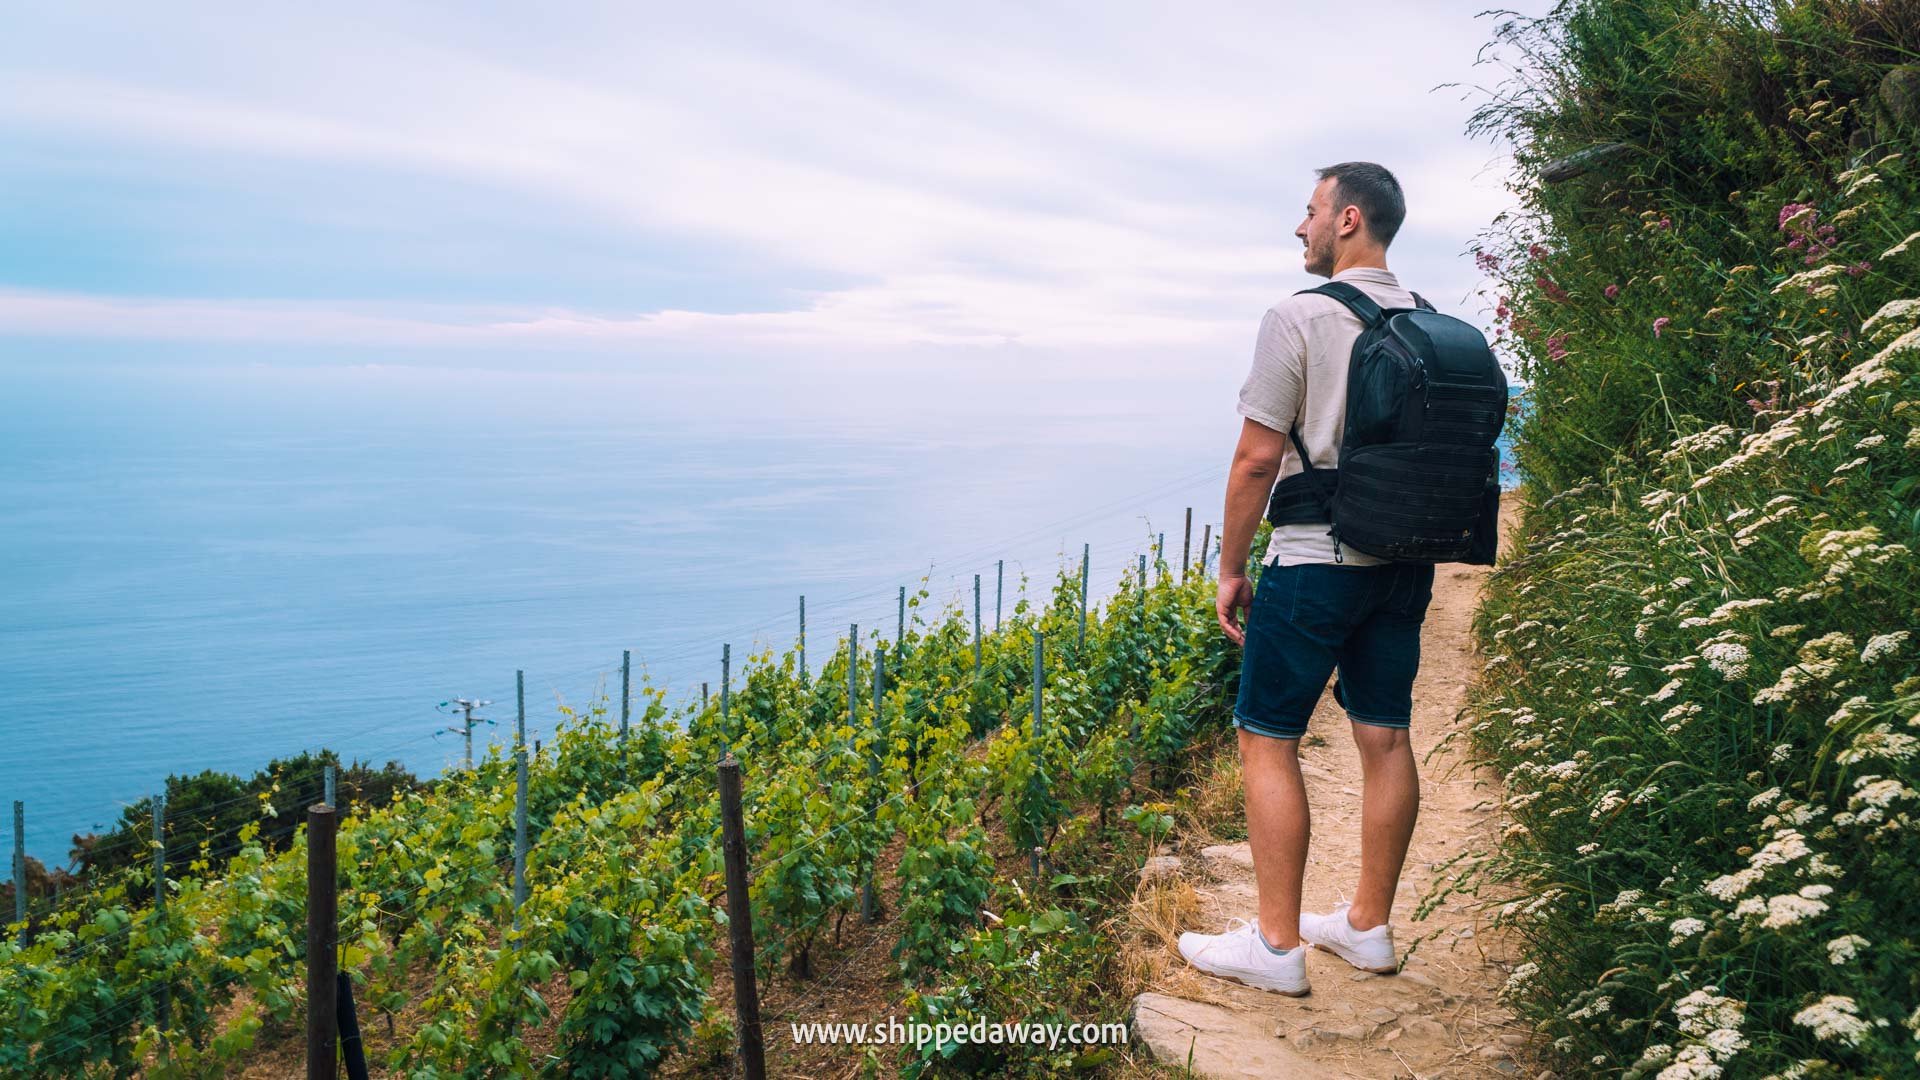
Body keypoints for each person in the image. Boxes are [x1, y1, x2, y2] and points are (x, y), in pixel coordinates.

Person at [1177, 161, 1431, 996]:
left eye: (1311, 210)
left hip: (1315, 560)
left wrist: (1229, 566)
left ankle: (1277, 947)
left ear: (1348, 219)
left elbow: (1256, 460)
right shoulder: (1430, 324)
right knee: (1386, 735)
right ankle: (1366, 928)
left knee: (1267, 736)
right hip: (1402, 565)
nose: (1301, 225)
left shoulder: (1298, 318)